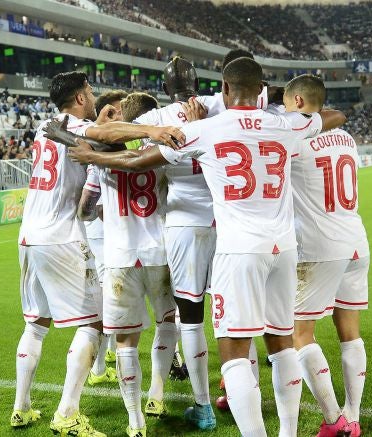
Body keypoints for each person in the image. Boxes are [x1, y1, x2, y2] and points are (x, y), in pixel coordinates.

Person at [43, 58, 346, 437]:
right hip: (283, 248)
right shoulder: (283, 123)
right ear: (262, 90)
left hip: (234, 248)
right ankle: (288, 433)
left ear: (223, 88)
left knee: (231, 351)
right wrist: (303, 119)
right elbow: (333, 116)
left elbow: (137, 159)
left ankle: (224, 416)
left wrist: (92, 157)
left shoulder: (206, 128)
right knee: (282, 343)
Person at [11, 70, 183, 437]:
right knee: (93, 324)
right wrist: (151, 131)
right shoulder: (77, 124)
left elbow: (97, 140)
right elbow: (104, 138)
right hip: (62, 235)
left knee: (36, 324)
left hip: (28, 235)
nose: (93, 99)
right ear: (79, 98)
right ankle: (67, 413)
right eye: (90, 93)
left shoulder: (47, 124)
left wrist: (101, 126)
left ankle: (21, 407)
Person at [131, 56, 217, 430]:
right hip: (227, 219)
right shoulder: (218, 104)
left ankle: (203, 407)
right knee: (233, 314)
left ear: (164, 89)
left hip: (183, 225)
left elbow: (114, 135)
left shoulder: (156, 117)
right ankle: (235, 383)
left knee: (191, 317)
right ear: (198, 80)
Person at [287, 75, 369, 437]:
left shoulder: (298, 140)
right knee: (350, 334)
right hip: (355, 240)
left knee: (299, 334)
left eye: (289, 105)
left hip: (317, 247)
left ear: (300, 101)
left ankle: (334, 418)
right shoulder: (347, 138)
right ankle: (353, 415)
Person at [84, 90, 129, 387]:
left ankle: (107, 358)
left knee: (116, 295)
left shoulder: (105, 145)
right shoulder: (99, 149)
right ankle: (97, 368)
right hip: (102, 235)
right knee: (107, 297)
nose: (124, 117)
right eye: (119, 111)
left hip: (108, 234)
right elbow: (93, 208)